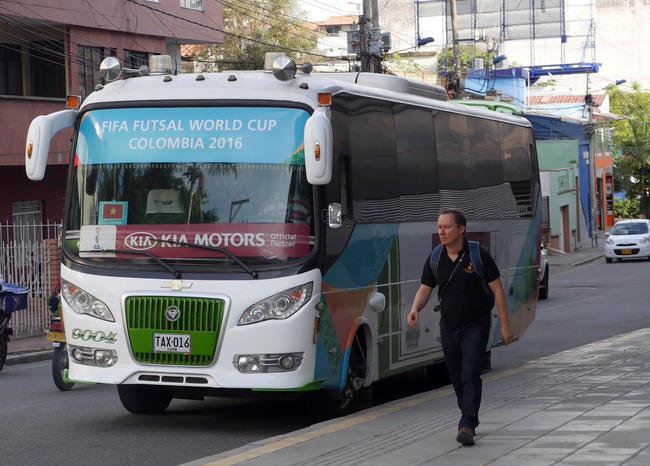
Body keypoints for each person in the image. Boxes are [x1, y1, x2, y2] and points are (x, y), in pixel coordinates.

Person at [407, 209, 513, 446]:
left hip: (476, 325)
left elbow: (497, 290)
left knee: (470, 374)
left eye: (447, 227)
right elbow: (425, 288)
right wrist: (415, 308)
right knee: (456, 377)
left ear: (461, 229)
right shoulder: (436, 257)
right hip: (449, 326)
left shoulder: (478, 255)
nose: (442, 232)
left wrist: (505, 326)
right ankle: (469, 415)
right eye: (439, 227)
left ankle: (466, 423)